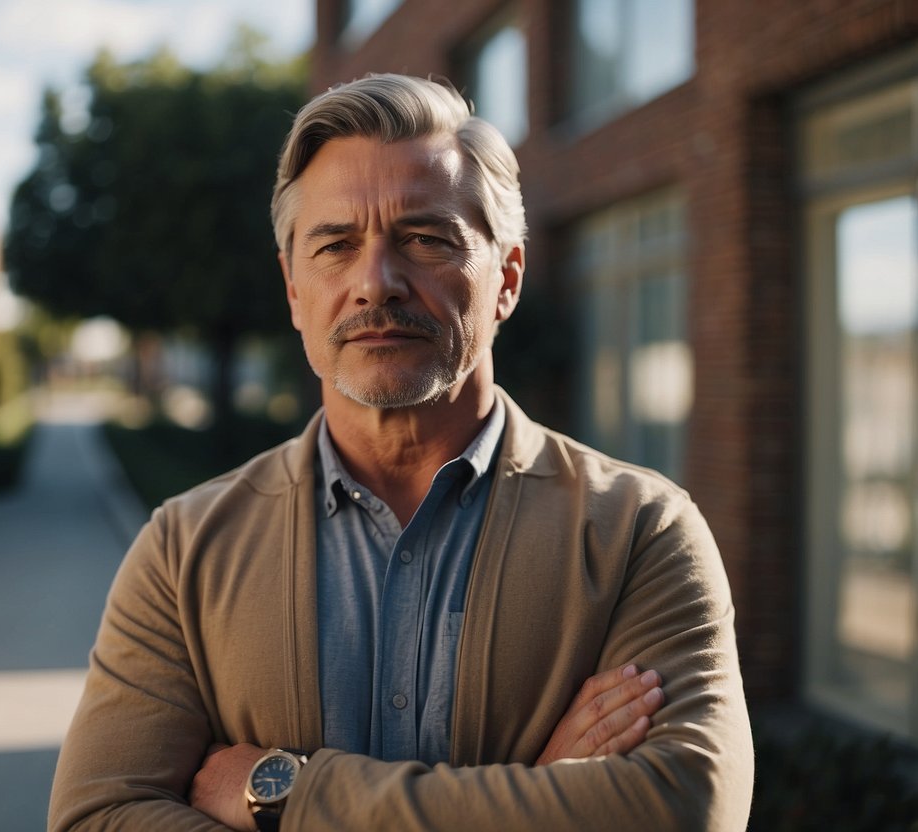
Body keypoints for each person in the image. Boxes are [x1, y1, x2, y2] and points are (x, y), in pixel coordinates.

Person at [48, 73, 754, 831]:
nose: (375, 282)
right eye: (335, 245)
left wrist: (283, 796)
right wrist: (535, 795)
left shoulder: (638, 533)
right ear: (292, 289)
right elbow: (98, 817)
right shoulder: (182, 550)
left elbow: (685, 809)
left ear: (506, 278)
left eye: (424, 239)